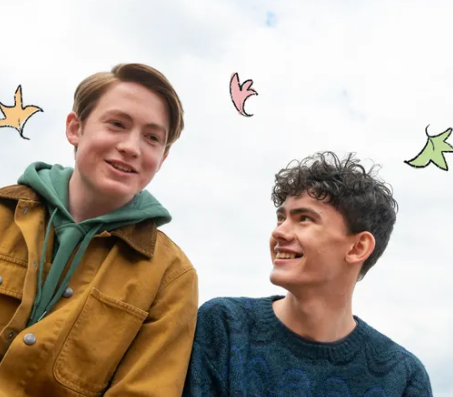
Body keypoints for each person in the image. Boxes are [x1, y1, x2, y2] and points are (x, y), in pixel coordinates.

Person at [0, 63, 199, 396]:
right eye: (117, 124)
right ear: (75, 128)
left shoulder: (172, 278)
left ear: (162, 159)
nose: (131, 147)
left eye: (152, 138)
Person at [182, 151, 433, 396]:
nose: (279, 232)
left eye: (304, 218)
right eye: (281, 218)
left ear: (358, 247)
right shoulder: (225, 326)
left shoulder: (403, 378)